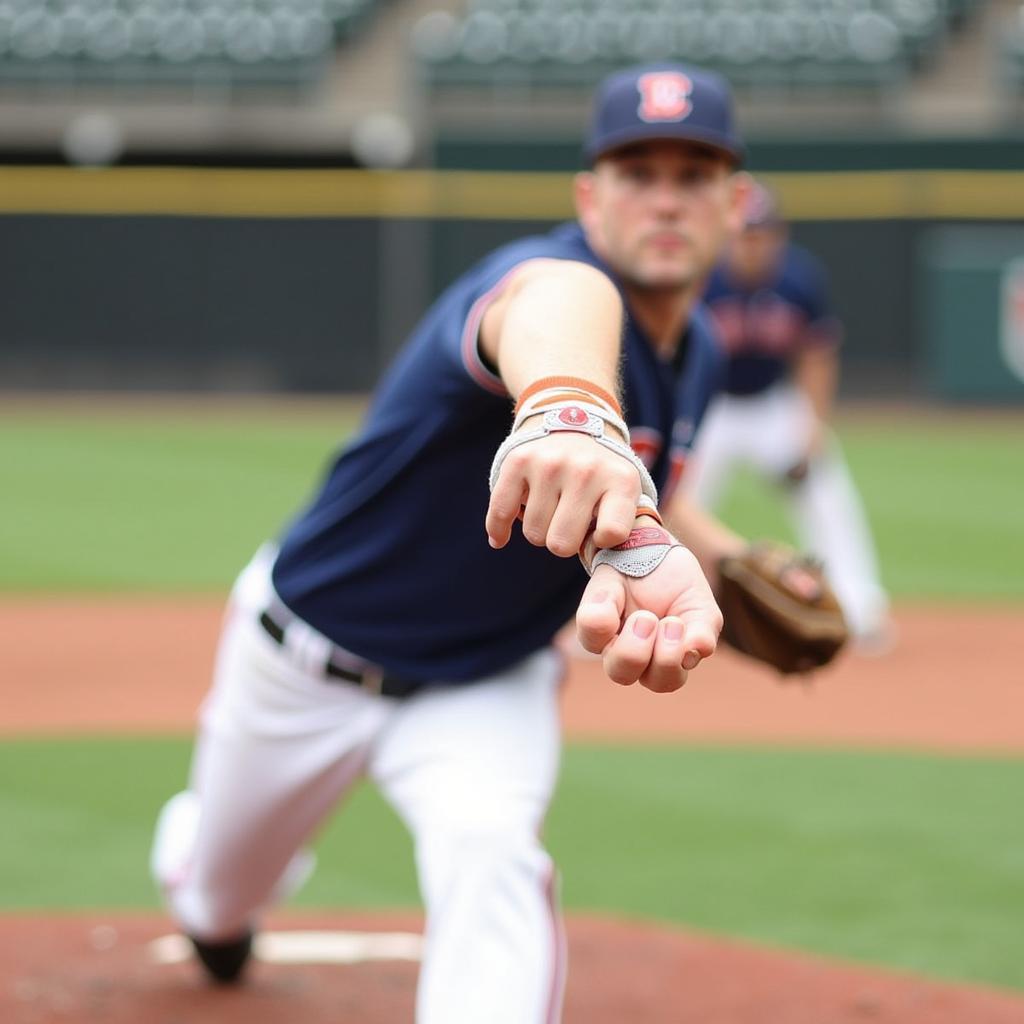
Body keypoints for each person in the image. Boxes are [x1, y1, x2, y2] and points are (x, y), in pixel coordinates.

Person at [150, 62, 751, 1023]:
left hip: (487, 679)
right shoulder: (542, 283)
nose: (667, 199)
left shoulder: (704, 350)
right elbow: (552, 305)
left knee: (495, 853)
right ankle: (201, 866)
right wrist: (567, 406)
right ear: (590, 200)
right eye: (639, 174)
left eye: (695, 175)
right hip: (305, 662)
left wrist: (728, 562)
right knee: (215, 906)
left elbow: (647, 484)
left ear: (737, 203)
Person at [685, 181, 892, 648]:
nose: (753, 243)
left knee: (826, 492)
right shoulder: (699, 279)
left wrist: (812, 428)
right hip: (709, 410)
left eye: (763, 233)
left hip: (771, 407)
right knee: (671, 503)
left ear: (779, 235)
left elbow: (817, 354)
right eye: (744, 233)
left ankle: (859, 608)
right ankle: (642, 606)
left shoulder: (799, 279)